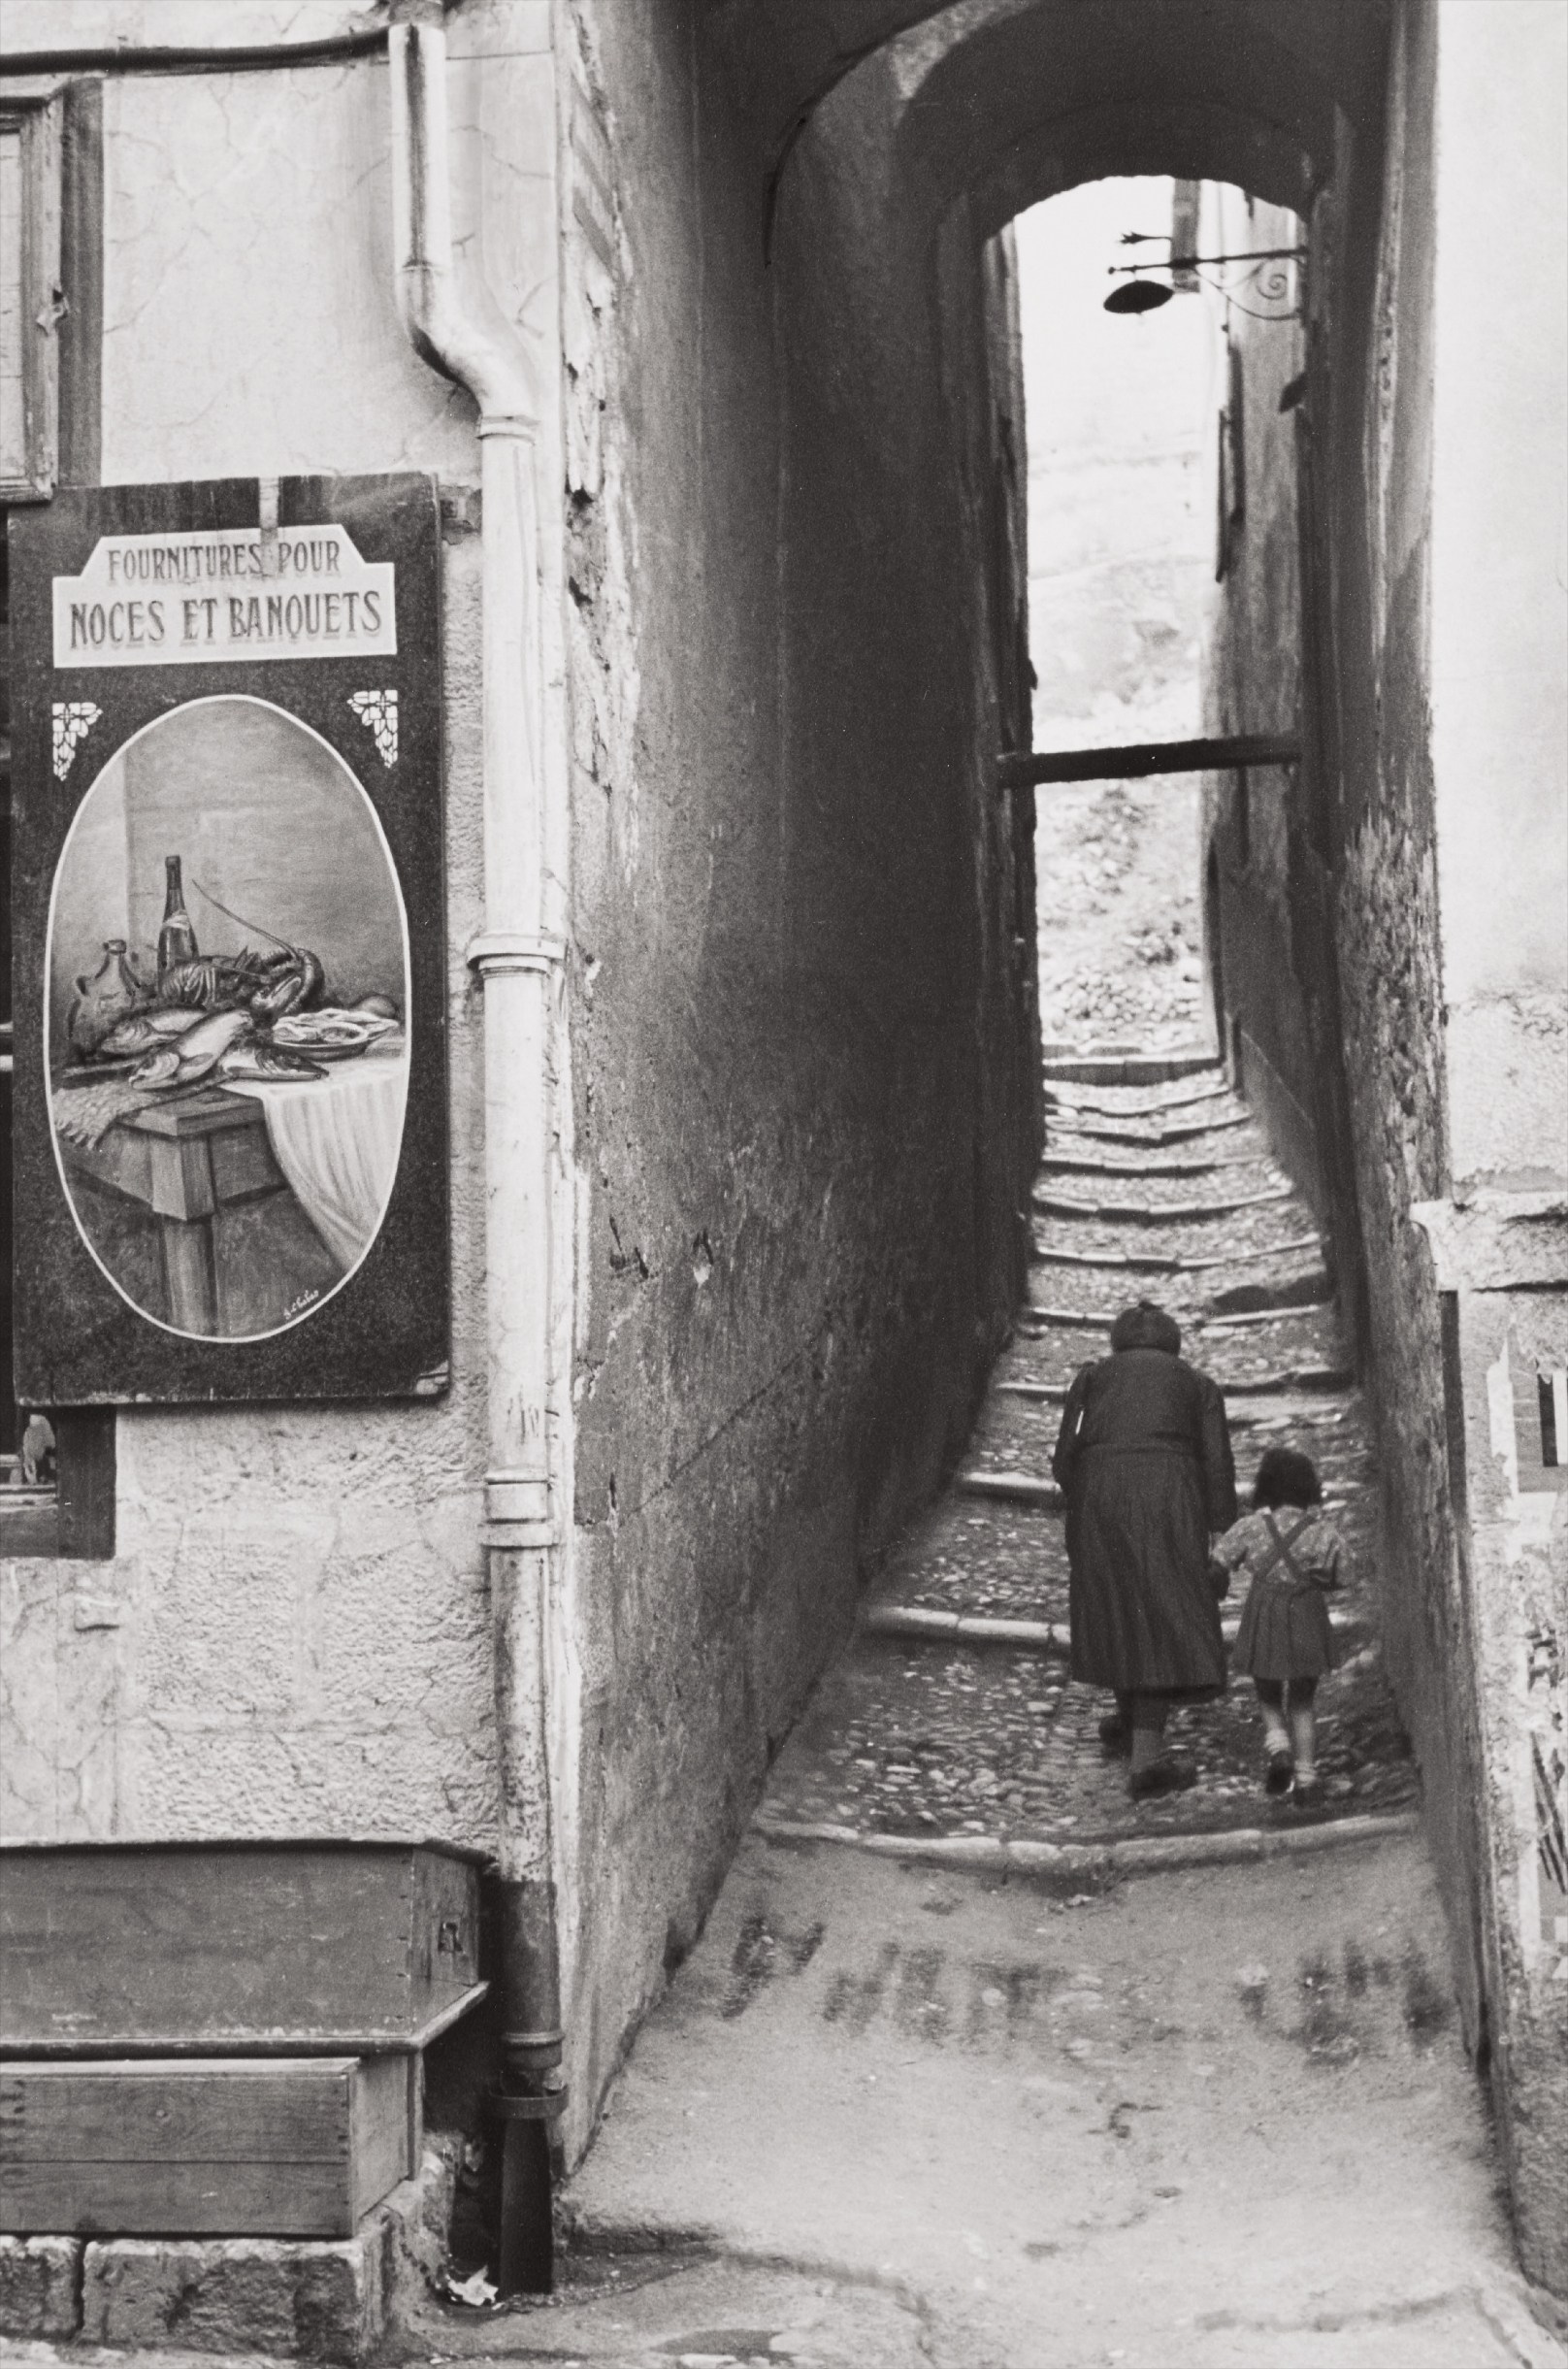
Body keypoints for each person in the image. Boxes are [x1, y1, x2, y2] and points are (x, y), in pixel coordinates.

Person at [1051, 1299, 1237, 1798]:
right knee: (1159, 1614)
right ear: (1172, 1344)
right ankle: (1146, 1761)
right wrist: (1219, 1530)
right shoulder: (1197, 1385)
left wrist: (1084, 1495)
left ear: (1119, 1342)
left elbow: (1065, 1454)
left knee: (1116, 1602)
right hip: (1168, 1498)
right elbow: (1217, 1464)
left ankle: (1130, 1720)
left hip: (1100, 1495)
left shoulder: (1091, 1379)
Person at [1211, 1444, 1345, 1808]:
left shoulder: (1251, 1527)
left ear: (1265, 1488)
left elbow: (1220, 1559)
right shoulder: (1322, 1533)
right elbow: (1342, 1572)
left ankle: (1278, 1745)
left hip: (1264, 1616)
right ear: (1309, 1489)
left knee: (1267, 1691)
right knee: (1302, 1700)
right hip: (1306, 1616)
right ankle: (1307, 1779)